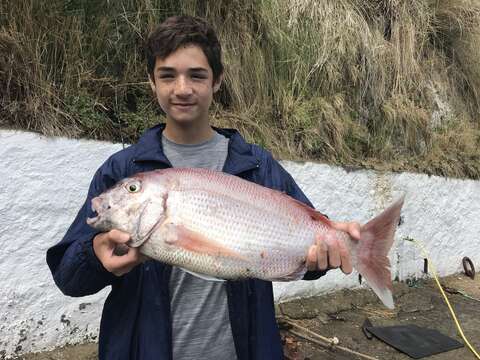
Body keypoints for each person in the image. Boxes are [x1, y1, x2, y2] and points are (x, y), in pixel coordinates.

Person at [46, 15, 360, 360]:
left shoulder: (258, 166)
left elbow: (306, 253)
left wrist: (330, 251)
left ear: (217, 80)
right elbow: (68, 278)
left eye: (197, 75)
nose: (182, 88)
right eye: (167, 75)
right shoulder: (122, 171)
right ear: (152, 82)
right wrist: (96, 256)